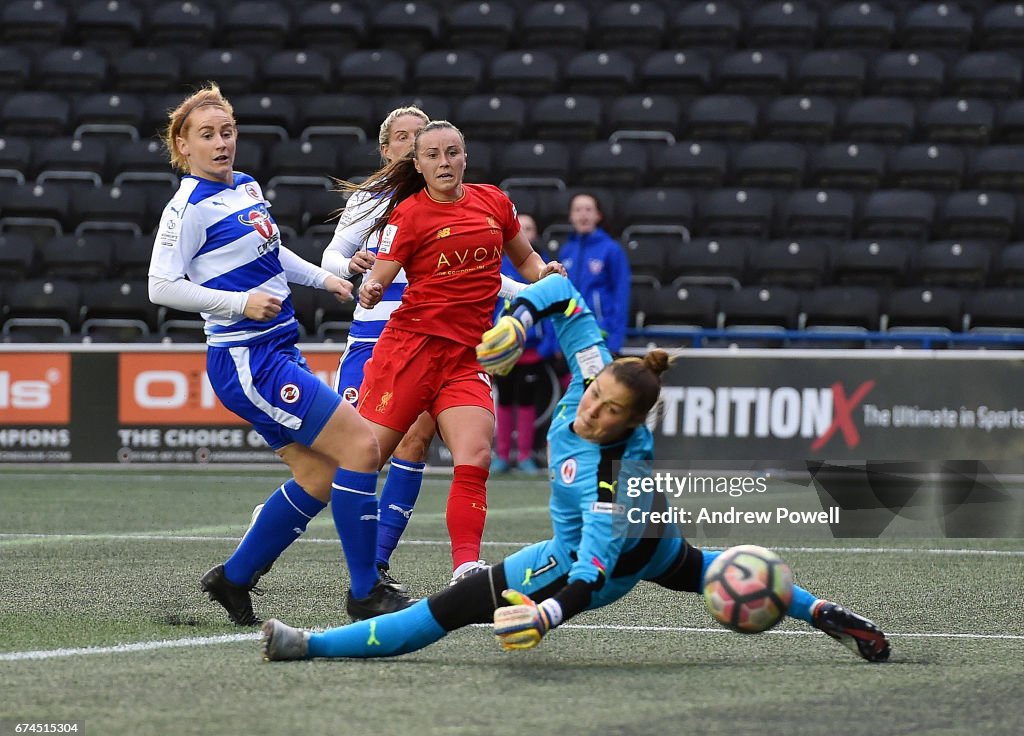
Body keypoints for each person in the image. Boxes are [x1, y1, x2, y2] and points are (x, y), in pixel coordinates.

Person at [260, 275, 891, 664]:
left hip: (604, 557)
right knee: (703, 569)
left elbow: (591, 571)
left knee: (446, 609)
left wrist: (545, 615)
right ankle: (827, 614)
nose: (590, 413)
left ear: (630, 425)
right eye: (594, 398)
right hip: (658, 543)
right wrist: (519, 318)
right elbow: (562, 292)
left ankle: (306, 645)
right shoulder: (595, 368)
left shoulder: (612, 474)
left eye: (609, 414)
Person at [148, 83, 414, 625]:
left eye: (227, 132)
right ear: (183, 144)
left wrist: (325, 280)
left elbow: (273, 252)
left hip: (276, 352)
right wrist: (239, 302)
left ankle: (233, 577)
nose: (221, 143)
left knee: (318, 477)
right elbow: (160, 286)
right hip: (248, 361)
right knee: (362, 447)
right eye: (207, 135)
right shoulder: (186, 209)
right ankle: (366, 590)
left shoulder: (245, 186)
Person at [345, 119, 563, 586]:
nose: (445, 162)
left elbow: (526, 261)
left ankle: (466, 568)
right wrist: (370, 289)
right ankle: (281, 522)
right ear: (418, 165)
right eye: (434, 155)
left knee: (476, 454)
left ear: (465, 156)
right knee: (360, 459)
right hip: (409, 352)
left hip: (465, 357)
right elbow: (382, 276)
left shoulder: (494, 202)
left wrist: (545, 272)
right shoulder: (408, 215)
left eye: (453, 152)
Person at [491, 213, 556, 475]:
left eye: (530, 228)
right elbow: (490, 305)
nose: (525, 232)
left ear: (536, 234)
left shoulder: (542, 268)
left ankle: (526, 454)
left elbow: (552, 306)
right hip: (504, 351)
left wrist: (548, 344)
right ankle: (503, 455)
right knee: (504, 400)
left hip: (532, 350)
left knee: (528, 402)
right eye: (521, 227)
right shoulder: (498, 264)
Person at [558, 192, 632, 356]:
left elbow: (621, 295)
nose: (583, 214)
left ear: (598, 215)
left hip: (600, 334)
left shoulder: (611, 250)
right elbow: (559, 295)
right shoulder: (566, 251)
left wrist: (615, 340)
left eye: (588, 209)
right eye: (577, 210)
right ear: (571, 216)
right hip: (570, 334)